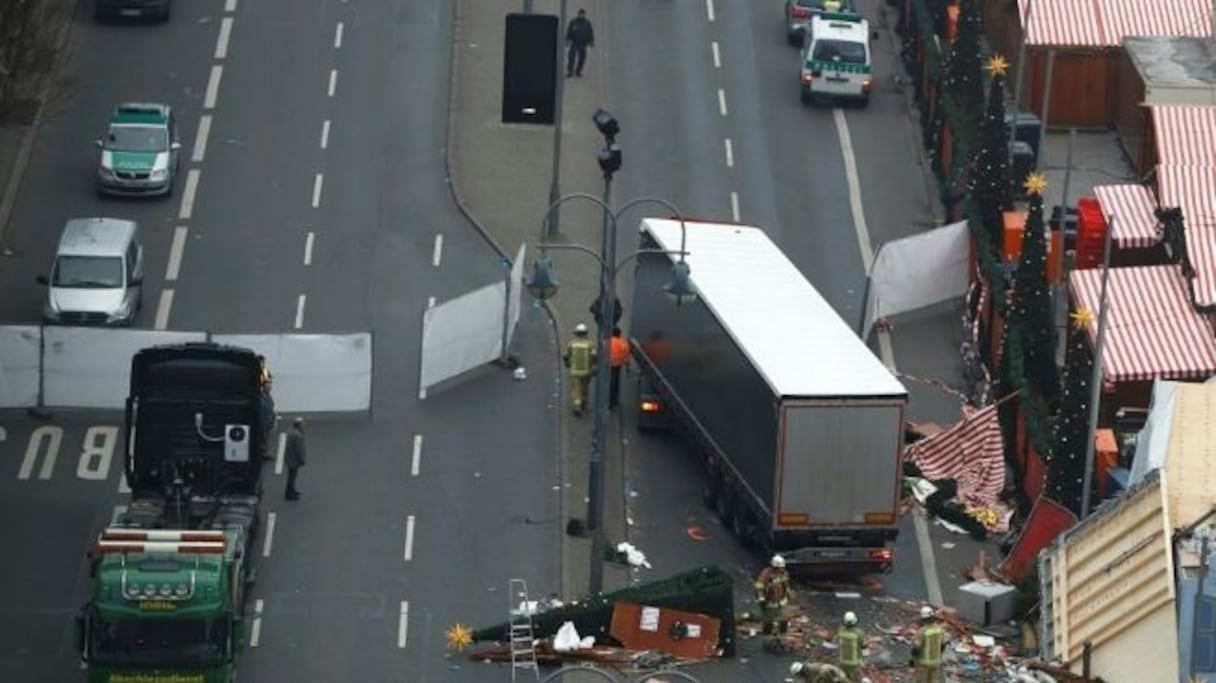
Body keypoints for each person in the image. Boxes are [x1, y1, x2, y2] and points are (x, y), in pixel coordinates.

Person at [753, 554, 791, 636]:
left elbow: (786, 583)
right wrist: (761, 598)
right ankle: (768, 640)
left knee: (784, 620)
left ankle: (782, 637)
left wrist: (788, 592)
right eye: (780, 567)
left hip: (782, 601)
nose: (782, 569)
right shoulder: (766, 574)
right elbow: (759, 587)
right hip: (770, 602)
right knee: (768, 622)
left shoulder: (783, 573)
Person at [563, 323, 595, 416]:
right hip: (586, 371)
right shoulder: (590, 344)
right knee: (585, 388)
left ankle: (577, 407)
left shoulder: (572, 343)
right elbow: (594, 356)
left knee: (576, 390)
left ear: (576, 333)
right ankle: (584, 403)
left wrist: (567, 363)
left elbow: (566, 356)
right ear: (585, 333)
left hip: (575, 371)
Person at [911, 606, 946, 683]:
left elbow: (916, 649)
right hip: (936, 662)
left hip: (923, 663)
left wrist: (912, 663)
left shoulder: (921, 632)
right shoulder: (940, 629)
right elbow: (943, 645)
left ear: (923, 619)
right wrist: (938, 656)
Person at [565, 8, 594, 78]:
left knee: (582, 58)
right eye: (580, 14)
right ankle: (570, 72)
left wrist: (591, 41)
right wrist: (568, 40)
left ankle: (578, 71)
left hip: (583, 43)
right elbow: (569, 31)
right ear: (578, 14)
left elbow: (590, 32)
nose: (581, 15)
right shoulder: (574, 22)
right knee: (571, 57)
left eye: (582, 14)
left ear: (584, 15)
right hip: (575, 42)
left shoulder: (587, 23)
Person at [837, 611, 864, 682]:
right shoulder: (858, 633)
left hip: (842, 661)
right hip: (854, 663)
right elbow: (864, 645)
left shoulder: (841, 631)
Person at [284, 417, 306, 501]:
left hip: (289, 457)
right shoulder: (298, 435)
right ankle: (289, 493)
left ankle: (291, 490)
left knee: (291, 476)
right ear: (299, 425)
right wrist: (301, 460)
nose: (304, 425)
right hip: (294, 459)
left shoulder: (290, 431)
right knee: (292, 477)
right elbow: (298, 450)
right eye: (303, 424)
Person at [608, 327, 630, 410]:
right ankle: (614, 400)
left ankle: (608, 398)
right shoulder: (623, 343)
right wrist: (627, 367)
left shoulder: (607, 341)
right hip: (617, 365)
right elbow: (626, 357)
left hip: (608, 365)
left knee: (609, 382)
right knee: (616, 382)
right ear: (619, 334)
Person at [259, 372, 278, 462]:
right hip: (264, 424)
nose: (271, 386)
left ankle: (263, 454)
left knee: (266, 440)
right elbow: (262, 413)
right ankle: (261, 455)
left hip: (268, 423)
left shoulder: (268, 396)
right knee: (262, 439)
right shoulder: (261, 398)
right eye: (269, 384)